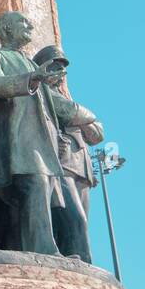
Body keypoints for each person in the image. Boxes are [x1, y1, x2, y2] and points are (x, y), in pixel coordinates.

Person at [0, 11, 96, 257]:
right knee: (36, 187)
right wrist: (33, 77)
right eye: (22, 22)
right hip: (19, 138)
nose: (29, 24)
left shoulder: (31, 64)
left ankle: (43, 250)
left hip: (43, 143)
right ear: (7, 29)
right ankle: (45, 251)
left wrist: (89, 118)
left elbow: (57, 103)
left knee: (41, 195)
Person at [33, 45, 104, 264]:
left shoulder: (62, 97)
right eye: (55, 66)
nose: (60, 72)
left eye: (62, 68)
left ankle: (81, 262)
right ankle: (79, 263)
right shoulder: (43, 94)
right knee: (75, 220)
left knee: (82, 222)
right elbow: (71, 113)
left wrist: (83, 118)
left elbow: (98, 134)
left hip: (81, 168)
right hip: (60, 165)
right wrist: (84, 118)